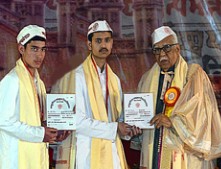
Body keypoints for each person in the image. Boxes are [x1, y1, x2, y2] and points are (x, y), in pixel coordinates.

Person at [138, 26, 221, 169]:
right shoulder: (146, 79)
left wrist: (172, 122)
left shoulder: (193, 75)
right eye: (157, 50)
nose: (162, 54)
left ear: (177, 49)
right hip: (154, 148)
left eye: (167, 48)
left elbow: (201, 114)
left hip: (185, 154)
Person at [75, 20, 141, 169]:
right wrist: (115, 128)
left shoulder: (114, 79)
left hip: (112, 152)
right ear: (89, 45)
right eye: (98, 41)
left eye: (107, 40)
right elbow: (77, 122)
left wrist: (129, 129)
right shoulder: (78, 77)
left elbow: (117, 119)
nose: (103, 45)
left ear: (112, 44)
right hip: (88, 153)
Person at [0, 25, 67, 169]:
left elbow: (39, 121)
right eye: (34, 49)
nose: (40, 55)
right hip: (16, 160)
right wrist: (41, 134)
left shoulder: (39, 83)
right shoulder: (12, 80)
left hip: (36, 156)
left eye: (43, 49)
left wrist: (54, 132)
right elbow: (4, 121)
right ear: (21, 49)